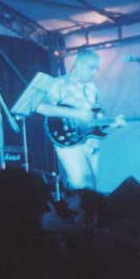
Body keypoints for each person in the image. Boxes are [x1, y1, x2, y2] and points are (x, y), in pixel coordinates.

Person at [36, 48, 124, 191]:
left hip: (91, 143)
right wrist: (76, 114)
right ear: (79, 64)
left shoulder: (93, 88)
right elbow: (41, 107)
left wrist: (112, 123)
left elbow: (94, 119)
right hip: (69, 142)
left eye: (96, 69)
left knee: (92, 190)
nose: (95, 72)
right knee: (83, 187)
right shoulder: (59, 83)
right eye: (91, 68)